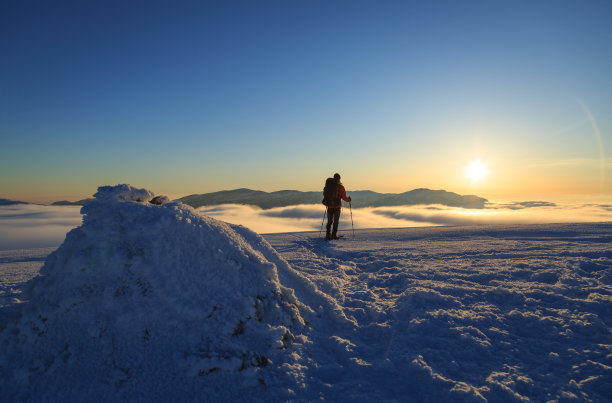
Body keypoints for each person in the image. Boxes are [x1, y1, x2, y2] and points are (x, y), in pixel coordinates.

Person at [325, 173, 351, 240]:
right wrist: (349, 199)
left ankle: (328, 235)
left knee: (329, 221)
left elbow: (325, 195)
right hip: (337, 207)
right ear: (339, 179)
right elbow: (344, 198)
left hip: (329, 206)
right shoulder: (341, 187)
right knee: (336, 221)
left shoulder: (328, 186)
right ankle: (334, 235)